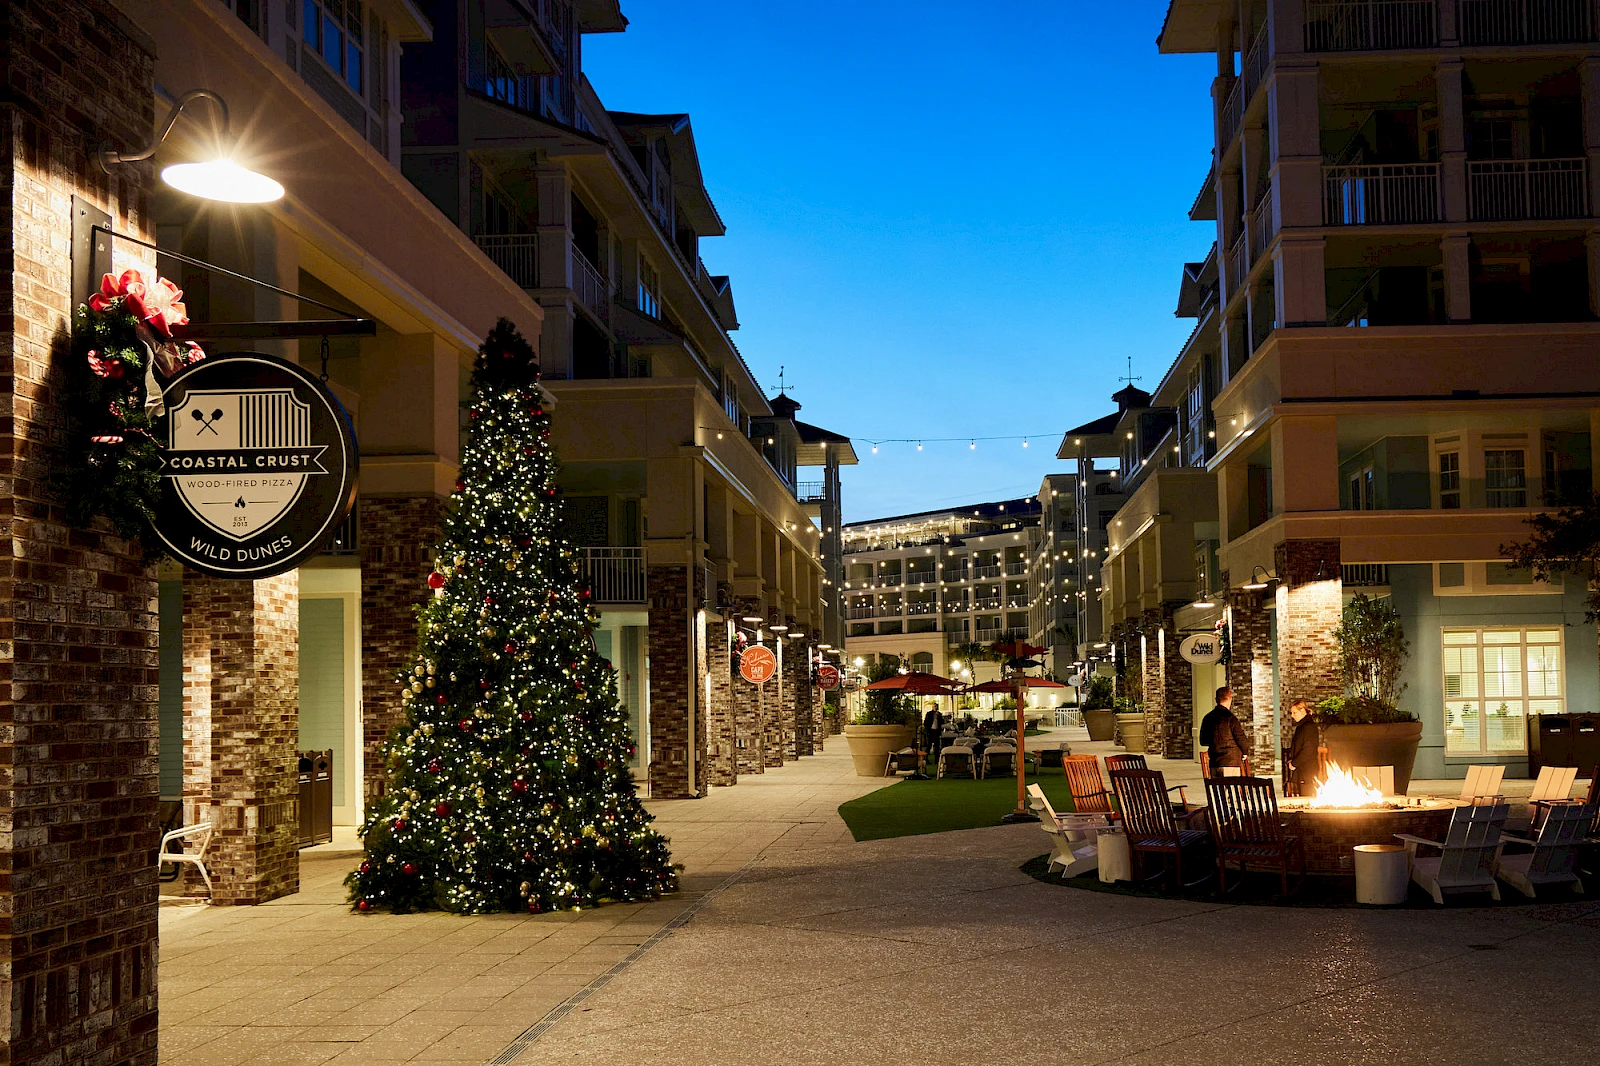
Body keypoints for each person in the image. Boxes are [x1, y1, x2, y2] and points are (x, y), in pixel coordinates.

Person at [1199, 686, 1249, 778]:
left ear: (1216, 699)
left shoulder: (1208, 718)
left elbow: (1203, 740)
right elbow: (1240, 738)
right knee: (1230, 790)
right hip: (1231, 761)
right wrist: (1245, 752)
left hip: (1214, 761)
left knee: (1217, 790)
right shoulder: (1231, 718)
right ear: (1230, 698)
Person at [1285, 698, 1318, 797]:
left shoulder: (1308, 727)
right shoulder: (1303, 726)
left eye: (1294, 712)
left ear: (1302, 711)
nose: (1292, 715)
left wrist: (1294, 763)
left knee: (1306, 797)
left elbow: (1308, 749)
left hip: (1307, 770)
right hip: (1303, 769)